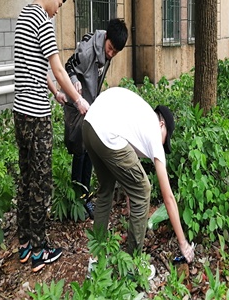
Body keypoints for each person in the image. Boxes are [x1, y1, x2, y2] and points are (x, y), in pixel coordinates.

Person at [13, 0, 90, 273]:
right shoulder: (43, 21)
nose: (57, 11)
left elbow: (35, 65)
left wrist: (56, 92)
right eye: (59, 4)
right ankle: (39, 250)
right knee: (41, 183)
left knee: (26, 179)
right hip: (36, 115)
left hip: (20, 112)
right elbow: (57, 68)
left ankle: (24, 244)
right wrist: (77, 100)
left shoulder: (24, 16)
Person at [82, 87, 195, 263]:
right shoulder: (153, 131)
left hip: (89, 125)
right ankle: (133, 264)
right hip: (106, 133)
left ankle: (96, 258)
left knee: (105, 190)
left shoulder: (140, 118)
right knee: (143, 191)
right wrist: (183, 243)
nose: (162, 144)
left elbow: (127, 168)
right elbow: (168, 198)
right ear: (162, 124)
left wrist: (130, 202)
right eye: (165, 138)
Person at [64, 18, 128, 219]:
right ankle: (76, 200)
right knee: (80, 151)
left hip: (90, 104)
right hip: (76, 104)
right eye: (110, 49)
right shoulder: (87, 51)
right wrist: (74, 81)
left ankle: (86, 198)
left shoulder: (106, 49)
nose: (111, 54)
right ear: (105, 37)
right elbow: (67, 66)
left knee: (90, 150)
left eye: (115, 52)